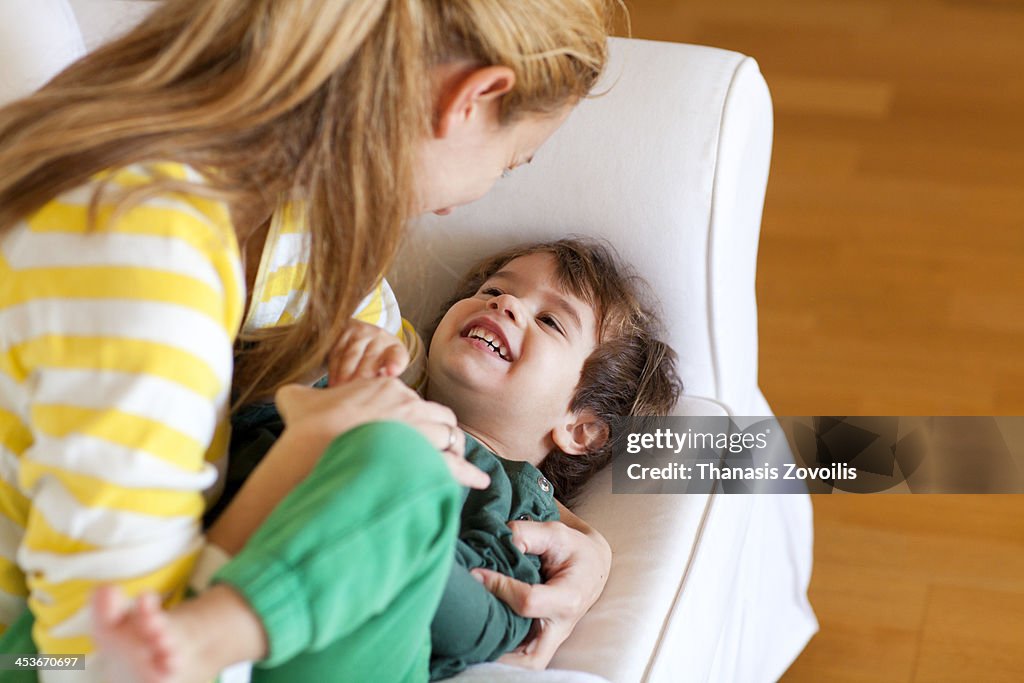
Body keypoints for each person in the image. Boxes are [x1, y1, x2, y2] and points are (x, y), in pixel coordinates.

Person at [0, 1, 619, 680]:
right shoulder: (140, 264)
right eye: (509, 162)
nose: (453, 207)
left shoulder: (307, 227)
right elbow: (89, 662)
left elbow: (450, 439)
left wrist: (589, 548)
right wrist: (304, 455)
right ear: (468, 101)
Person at [91, 239, 683, 682]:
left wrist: (400, 496)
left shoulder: (517, 501)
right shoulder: (363, 385)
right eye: (493, 290)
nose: (504, 304)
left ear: (581, 428)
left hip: (337, 657)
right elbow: (228, 448)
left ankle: (208, 635)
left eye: (550, 320)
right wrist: (311, 378)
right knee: (40, 652)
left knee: (400, 456)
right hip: (184, 590)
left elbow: (481, 623)